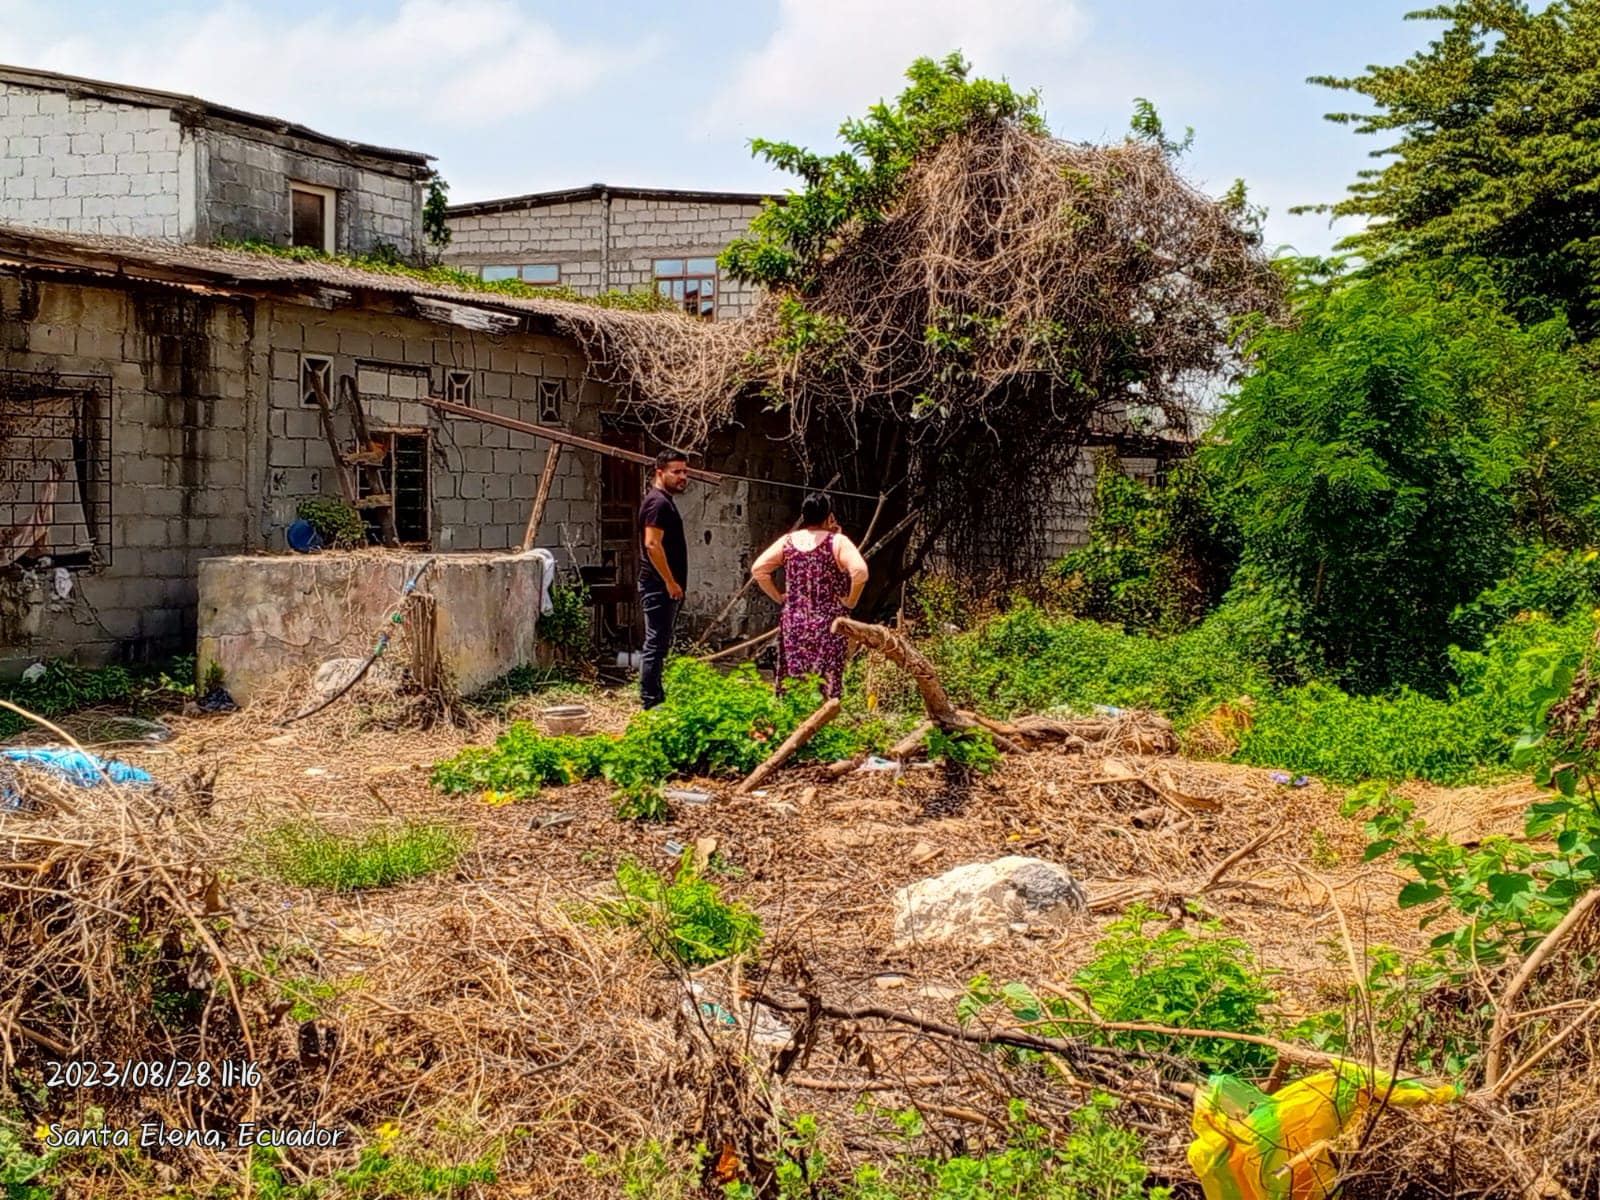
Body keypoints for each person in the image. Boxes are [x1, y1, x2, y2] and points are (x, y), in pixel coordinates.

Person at [750, 492, 869, 698]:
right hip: (829, 623)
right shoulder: (837, 542)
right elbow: (860, 572)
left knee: (795, 681)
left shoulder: (788, 541)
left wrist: (779, 597)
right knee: (827, 682)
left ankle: (792, 712)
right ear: (829, 516)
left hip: (794, 621)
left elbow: (758, 570)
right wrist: (850, 601)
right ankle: (825, 713)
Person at [637, 449, 690, 709]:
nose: (683, 477)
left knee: (659, 643)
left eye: (685, 471)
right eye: (676, 472)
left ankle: (655, 697)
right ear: (660, 472)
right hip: (658, 586)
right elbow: (652, 544)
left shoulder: (664, 501)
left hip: (663, 586)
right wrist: (669, 581)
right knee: (655, 644)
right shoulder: (658, 503)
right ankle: (651, 701)